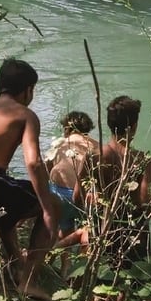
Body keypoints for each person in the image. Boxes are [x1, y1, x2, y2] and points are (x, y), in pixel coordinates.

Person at [0, 59, 60, 301]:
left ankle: (15, 262)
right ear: (27, 90)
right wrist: (47, 206)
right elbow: (33, 163)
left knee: (10, 196)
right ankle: (29, 282)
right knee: (54, 204)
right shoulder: (25, 114)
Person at [74, 95, 151, 270]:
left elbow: (77, 197)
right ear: (133, 127)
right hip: (132, 231)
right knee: (133, 283)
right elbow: (146, 202)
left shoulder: (93, 156)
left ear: (110, 125)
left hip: (101, 226)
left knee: (101, 278)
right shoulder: (143, 160)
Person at [44, 111, 99, 278]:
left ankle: (65, 266)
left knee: (65, 227)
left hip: (60, 193)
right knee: (87, 230)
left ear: (67, 128)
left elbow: (47, 168)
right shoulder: (95, 145)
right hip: (85, 194)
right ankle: (82, 270)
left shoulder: (60, 144)